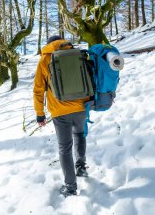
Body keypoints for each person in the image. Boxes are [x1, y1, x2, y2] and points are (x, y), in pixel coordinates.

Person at [33, 35, 88, 197]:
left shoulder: (45, 59)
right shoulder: (76, 53)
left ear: (49, 45)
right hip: (81, 107)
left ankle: (70, 187)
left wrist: (39, 114)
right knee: (79, 134)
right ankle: (81, 167)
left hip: (59, 111)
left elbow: (38, 90)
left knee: (65, 148)